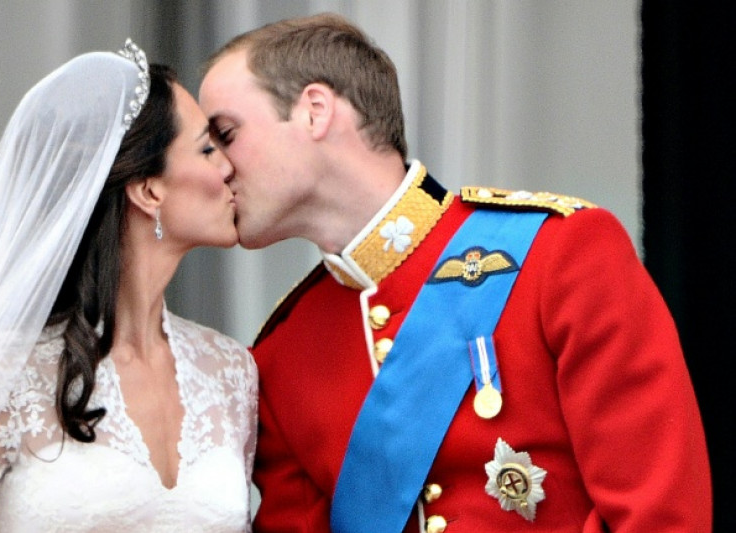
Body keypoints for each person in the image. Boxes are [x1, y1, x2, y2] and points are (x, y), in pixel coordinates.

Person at [199, 13, 711, 533]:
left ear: (314, 111)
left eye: (225, 134)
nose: (213, 167)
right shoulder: (283, 355)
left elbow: (662, 516)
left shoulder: (559, 254)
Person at [0, 41, 257, 532]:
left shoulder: (231, 372)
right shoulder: (3, 376)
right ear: (149, 190)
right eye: (206, 149)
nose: (229, 167)